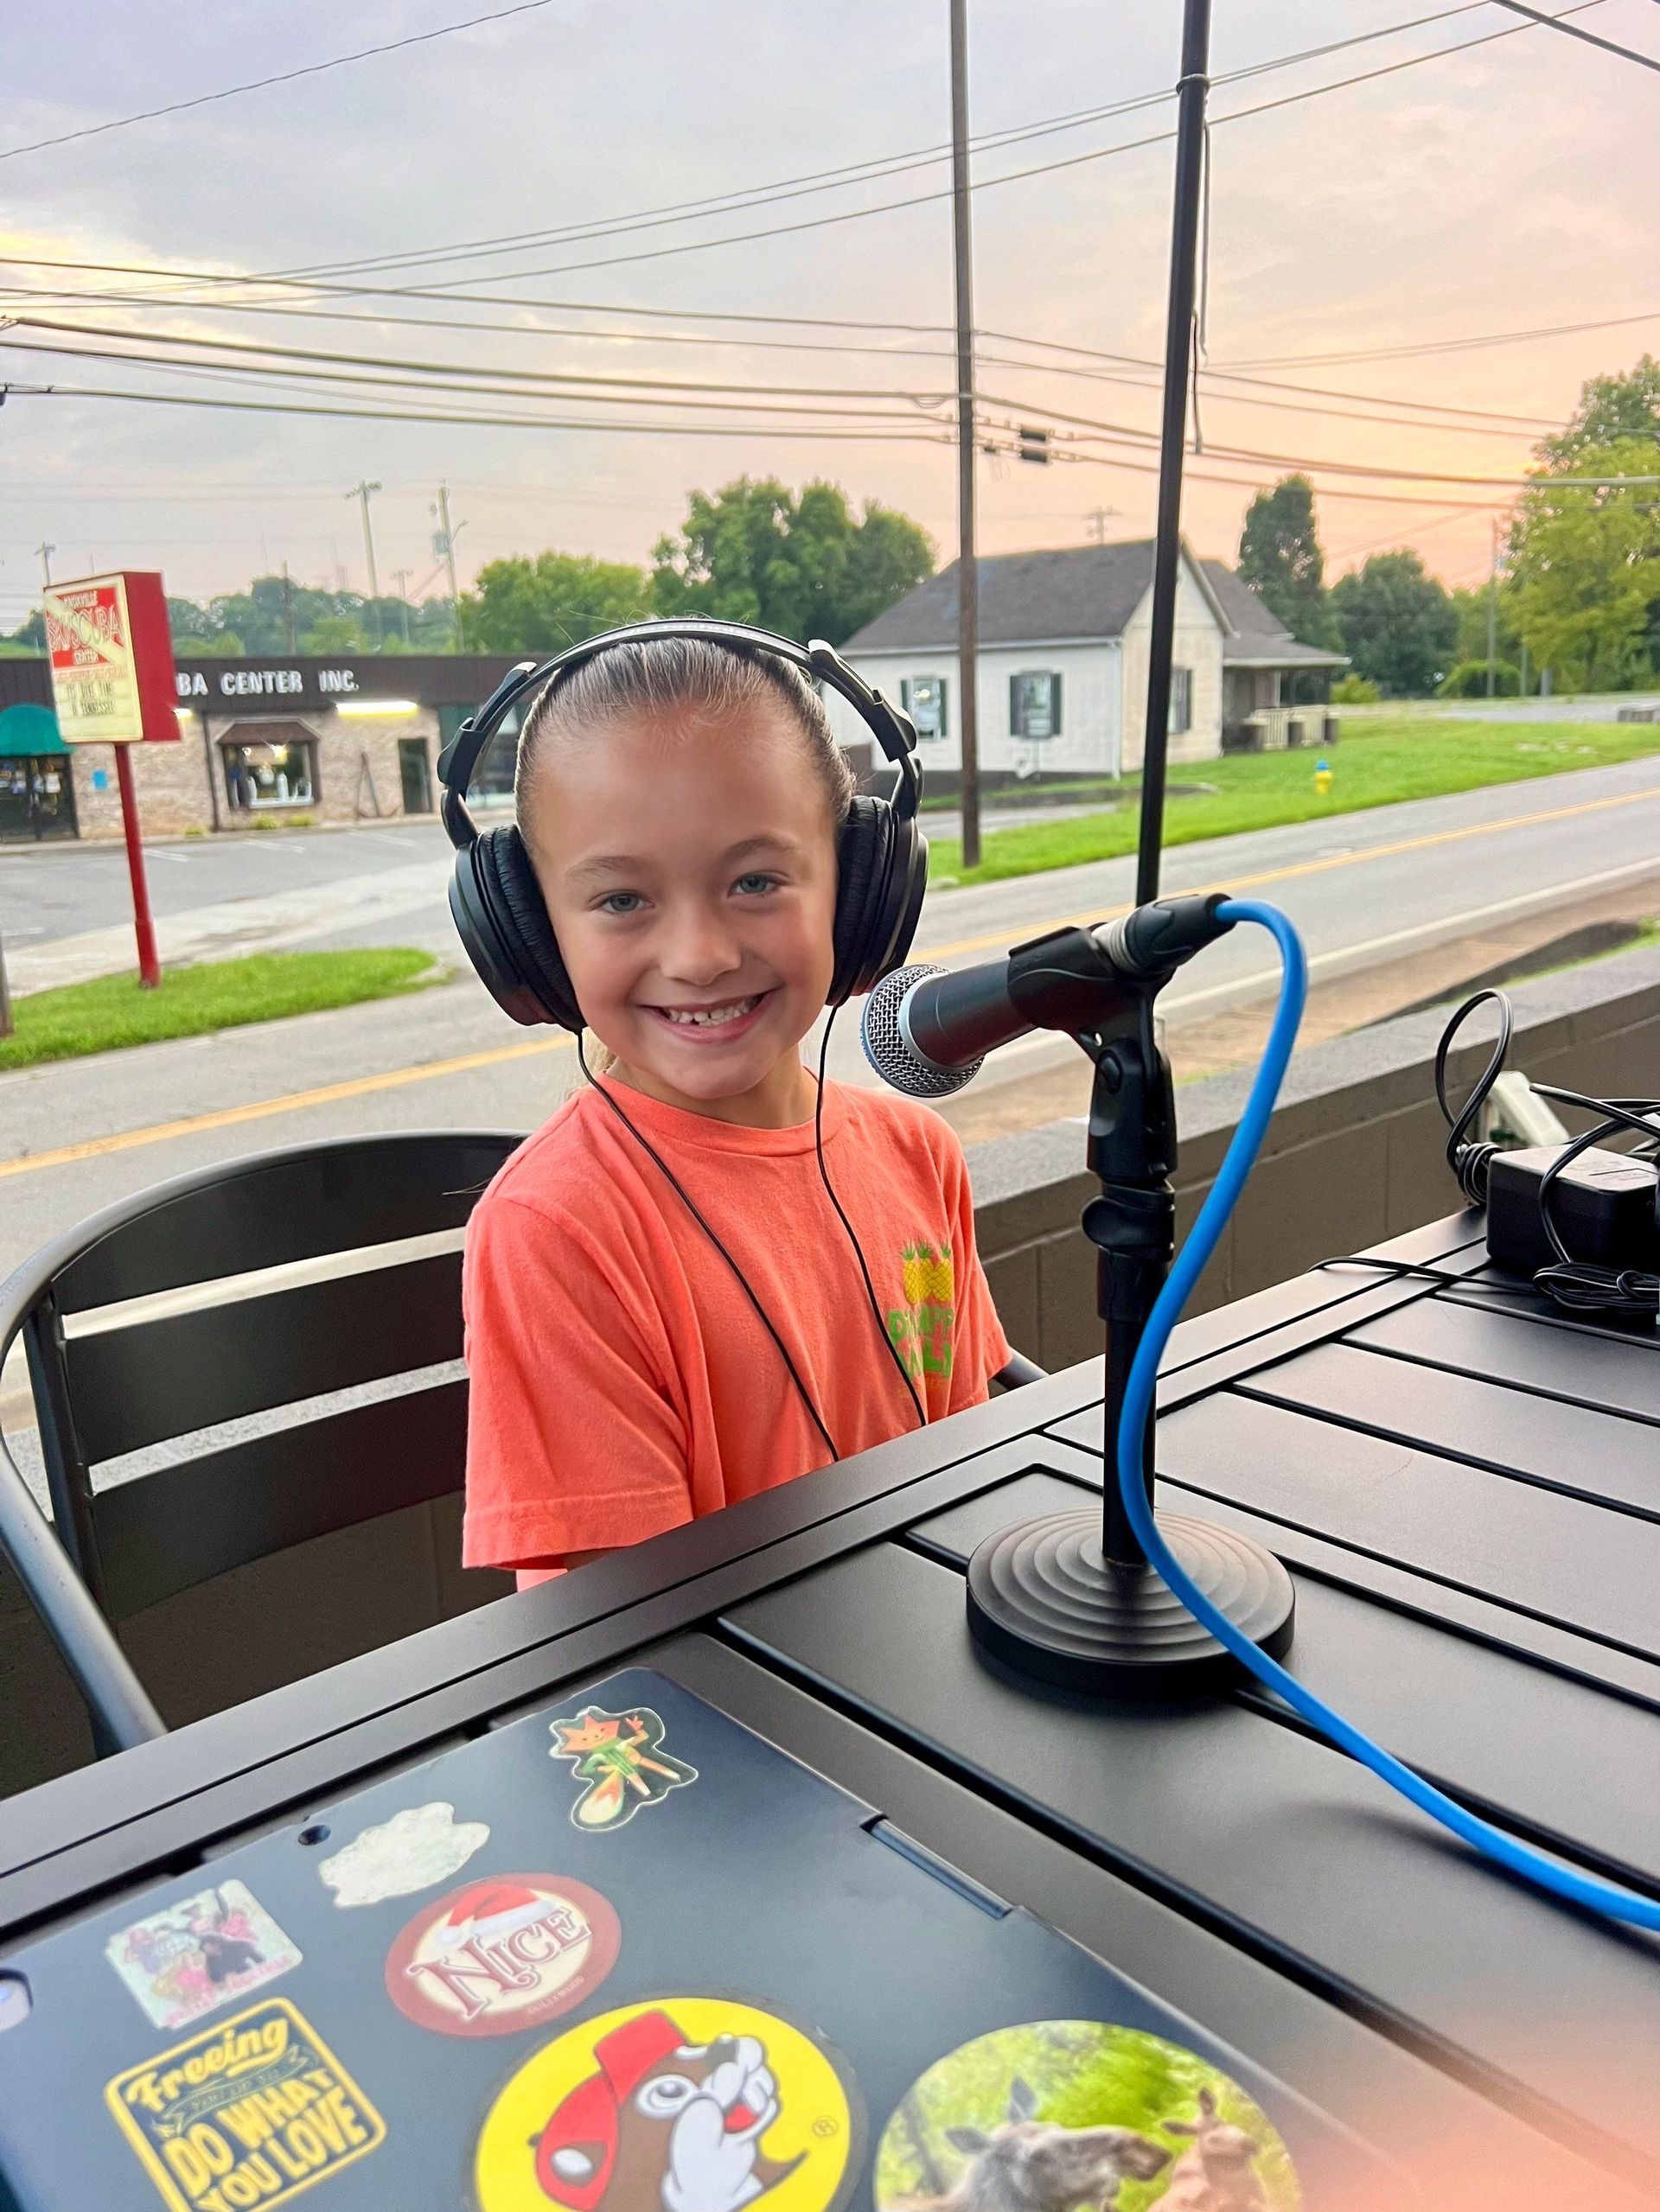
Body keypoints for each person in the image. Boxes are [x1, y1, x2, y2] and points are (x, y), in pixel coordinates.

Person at [461, 634, 1010, 1584]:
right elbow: (619, 1647)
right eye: (624, 898)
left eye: (756, 881)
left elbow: (969, 1487)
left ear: (858, 890)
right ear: (535, 940)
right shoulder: (556, 1231)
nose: (700, 955)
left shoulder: (918, 1154)